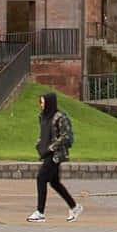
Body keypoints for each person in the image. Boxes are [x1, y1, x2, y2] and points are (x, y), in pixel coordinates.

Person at [30, 90, 80, 222]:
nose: (41, 105)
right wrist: (40, 145)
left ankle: (40, 212)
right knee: (54, 182)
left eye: (43, 102)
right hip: (46, 153)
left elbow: (66, 136)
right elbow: (44, 133)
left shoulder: (60, 117)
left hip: (55, 154)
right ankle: (74, 207)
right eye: (40, 102)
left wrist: (52, 147)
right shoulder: (42, 116)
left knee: (41, 178)